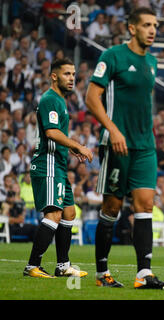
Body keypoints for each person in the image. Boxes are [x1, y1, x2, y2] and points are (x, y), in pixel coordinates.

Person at [85, 7, 164, 290]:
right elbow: (91, 97)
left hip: (145, 146)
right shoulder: (112, 56)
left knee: (146, 203)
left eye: (155, 25)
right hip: (116, 144)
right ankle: (102, 274)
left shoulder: (152, 63)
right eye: (147, 24)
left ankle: (144, 274)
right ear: (132, 28)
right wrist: (112, 129)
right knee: (112, 206)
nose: (153, 29)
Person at [23, 58, 93, 278]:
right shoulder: (50, 99)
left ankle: (63, 266)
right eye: (66, 74)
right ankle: (32, 266)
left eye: (73, 74)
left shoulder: (60, 101)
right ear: (54, 76)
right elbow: (52, 133)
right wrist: (78, 145)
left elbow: (54, 134)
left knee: (69, 212)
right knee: (53, 214)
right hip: (48, 164)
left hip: (59, 164)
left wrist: (69, 147)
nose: (72, 78)